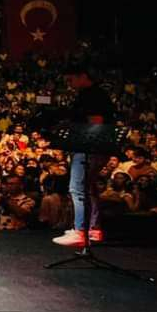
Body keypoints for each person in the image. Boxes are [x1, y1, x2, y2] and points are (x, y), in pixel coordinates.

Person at [54, 63, 116, 247]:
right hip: (99, 149)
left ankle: (80, 231)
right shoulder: (96, 94)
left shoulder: (91, 95)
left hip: (88, 148)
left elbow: (95, 123)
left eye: (70, 80)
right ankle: (93, 230)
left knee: (77, 188)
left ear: (83, 76)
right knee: (88, 188)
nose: (69, 84)